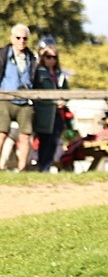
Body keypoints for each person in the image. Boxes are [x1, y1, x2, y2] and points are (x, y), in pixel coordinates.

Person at [0, 24, 36, 171]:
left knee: (25, 135)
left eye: (25, 38)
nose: (22, 41)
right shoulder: (3, 55)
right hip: (5, 98)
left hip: (25, 100)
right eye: (18, 37)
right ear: (12, 38)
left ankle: (22, 169)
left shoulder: (31, 57)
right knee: (1, 133)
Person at [32, 42, 68, 172]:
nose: (51, 59)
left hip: (58, 113)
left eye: (54, 57)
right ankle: (42, 166)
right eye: (48, 56)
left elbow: (66, 91)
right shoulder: (39, 73)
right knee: (44, 141)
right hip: (44, 112)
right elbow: (36, 92)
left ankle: (46, 166)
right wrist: (53, 101)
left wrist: (63, 100)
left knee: (54, 141)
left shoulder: (60, 75)